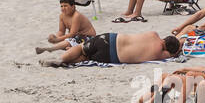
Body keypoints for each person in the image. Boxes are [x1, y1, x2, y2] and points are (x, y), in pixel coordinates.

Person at [45, 30, 183, 68]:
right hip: (113, 56)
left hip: (111, 39)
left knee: (82, 48)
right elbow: (173, 55)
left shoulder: (154, 34)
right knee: (85, 57)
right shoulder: (161, 54)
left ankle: (61, 59)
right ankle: (66, 62)